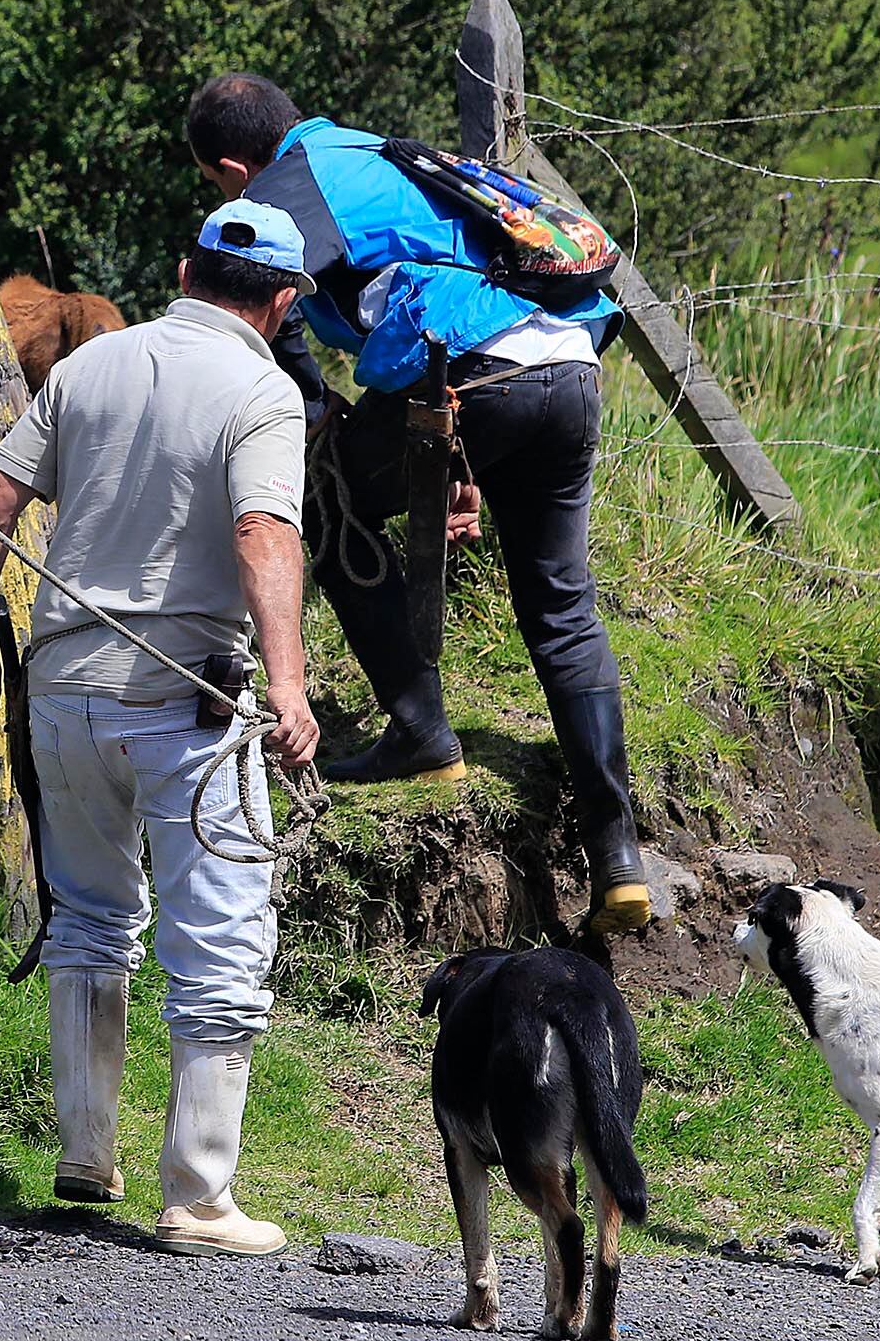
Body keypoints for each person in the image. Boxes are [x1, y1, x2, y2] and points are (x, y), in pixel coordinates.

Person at [184, 71, 654, 937]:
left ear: (231, 171)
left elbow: (256, 304)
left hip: (475, 374)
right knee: (562, 609)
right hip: (570, 369)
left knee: (322, 506)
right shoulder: (371, 154)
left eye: (219, 188)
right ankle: (618, 855)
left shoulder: (292, 186)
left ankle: (421, 731)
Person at [0, 201, 320, 1259]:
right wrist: (290, 686)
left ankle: (85, 1150)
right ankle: (201, 1196)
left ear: (181, 268)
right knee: (220, 940)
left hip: (64, 689)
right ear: (284, 301)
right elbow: (262, 533)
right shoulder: (265, 388)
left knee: (89, 918)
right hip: (184, 696)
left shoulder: (89, 369)